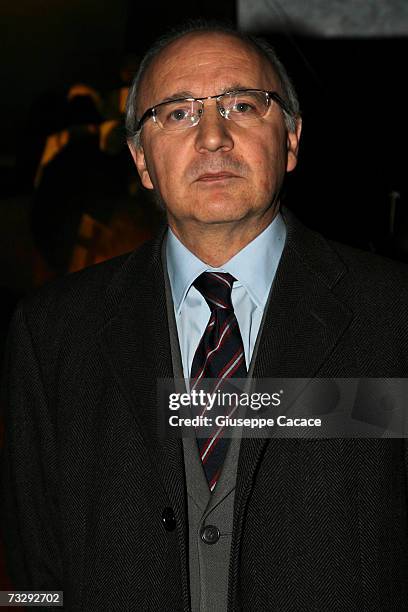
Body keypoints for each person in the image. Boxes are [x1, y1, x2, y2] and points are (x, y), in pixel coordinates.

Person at [1, 21, 408, 612]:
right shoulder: (52, 333)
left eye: (243, 105)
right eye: (177, 113)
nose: (213, 137)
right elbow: (32, 572)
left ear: (292, 140)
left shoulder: (392, 316)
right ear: (142, 160)